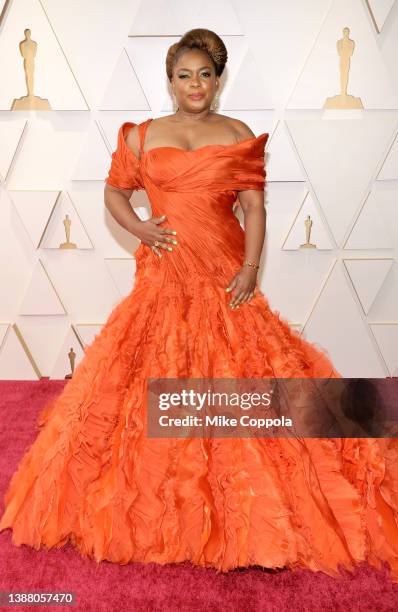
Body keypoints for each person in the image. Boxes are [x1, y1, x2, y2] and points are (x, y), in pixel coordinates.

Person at [1, 28, 398, 582]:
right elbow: (113, 192)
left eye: (205, 74)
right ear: (170, 81)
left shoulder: (236, 134)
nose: (195, 84)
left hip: (222, 274)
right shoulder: (141, 137)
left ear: (218, 80)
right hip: (164, 274)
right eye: (184, 74)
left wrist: (250, 267)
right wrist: (140, 225)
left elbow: (254, 209)